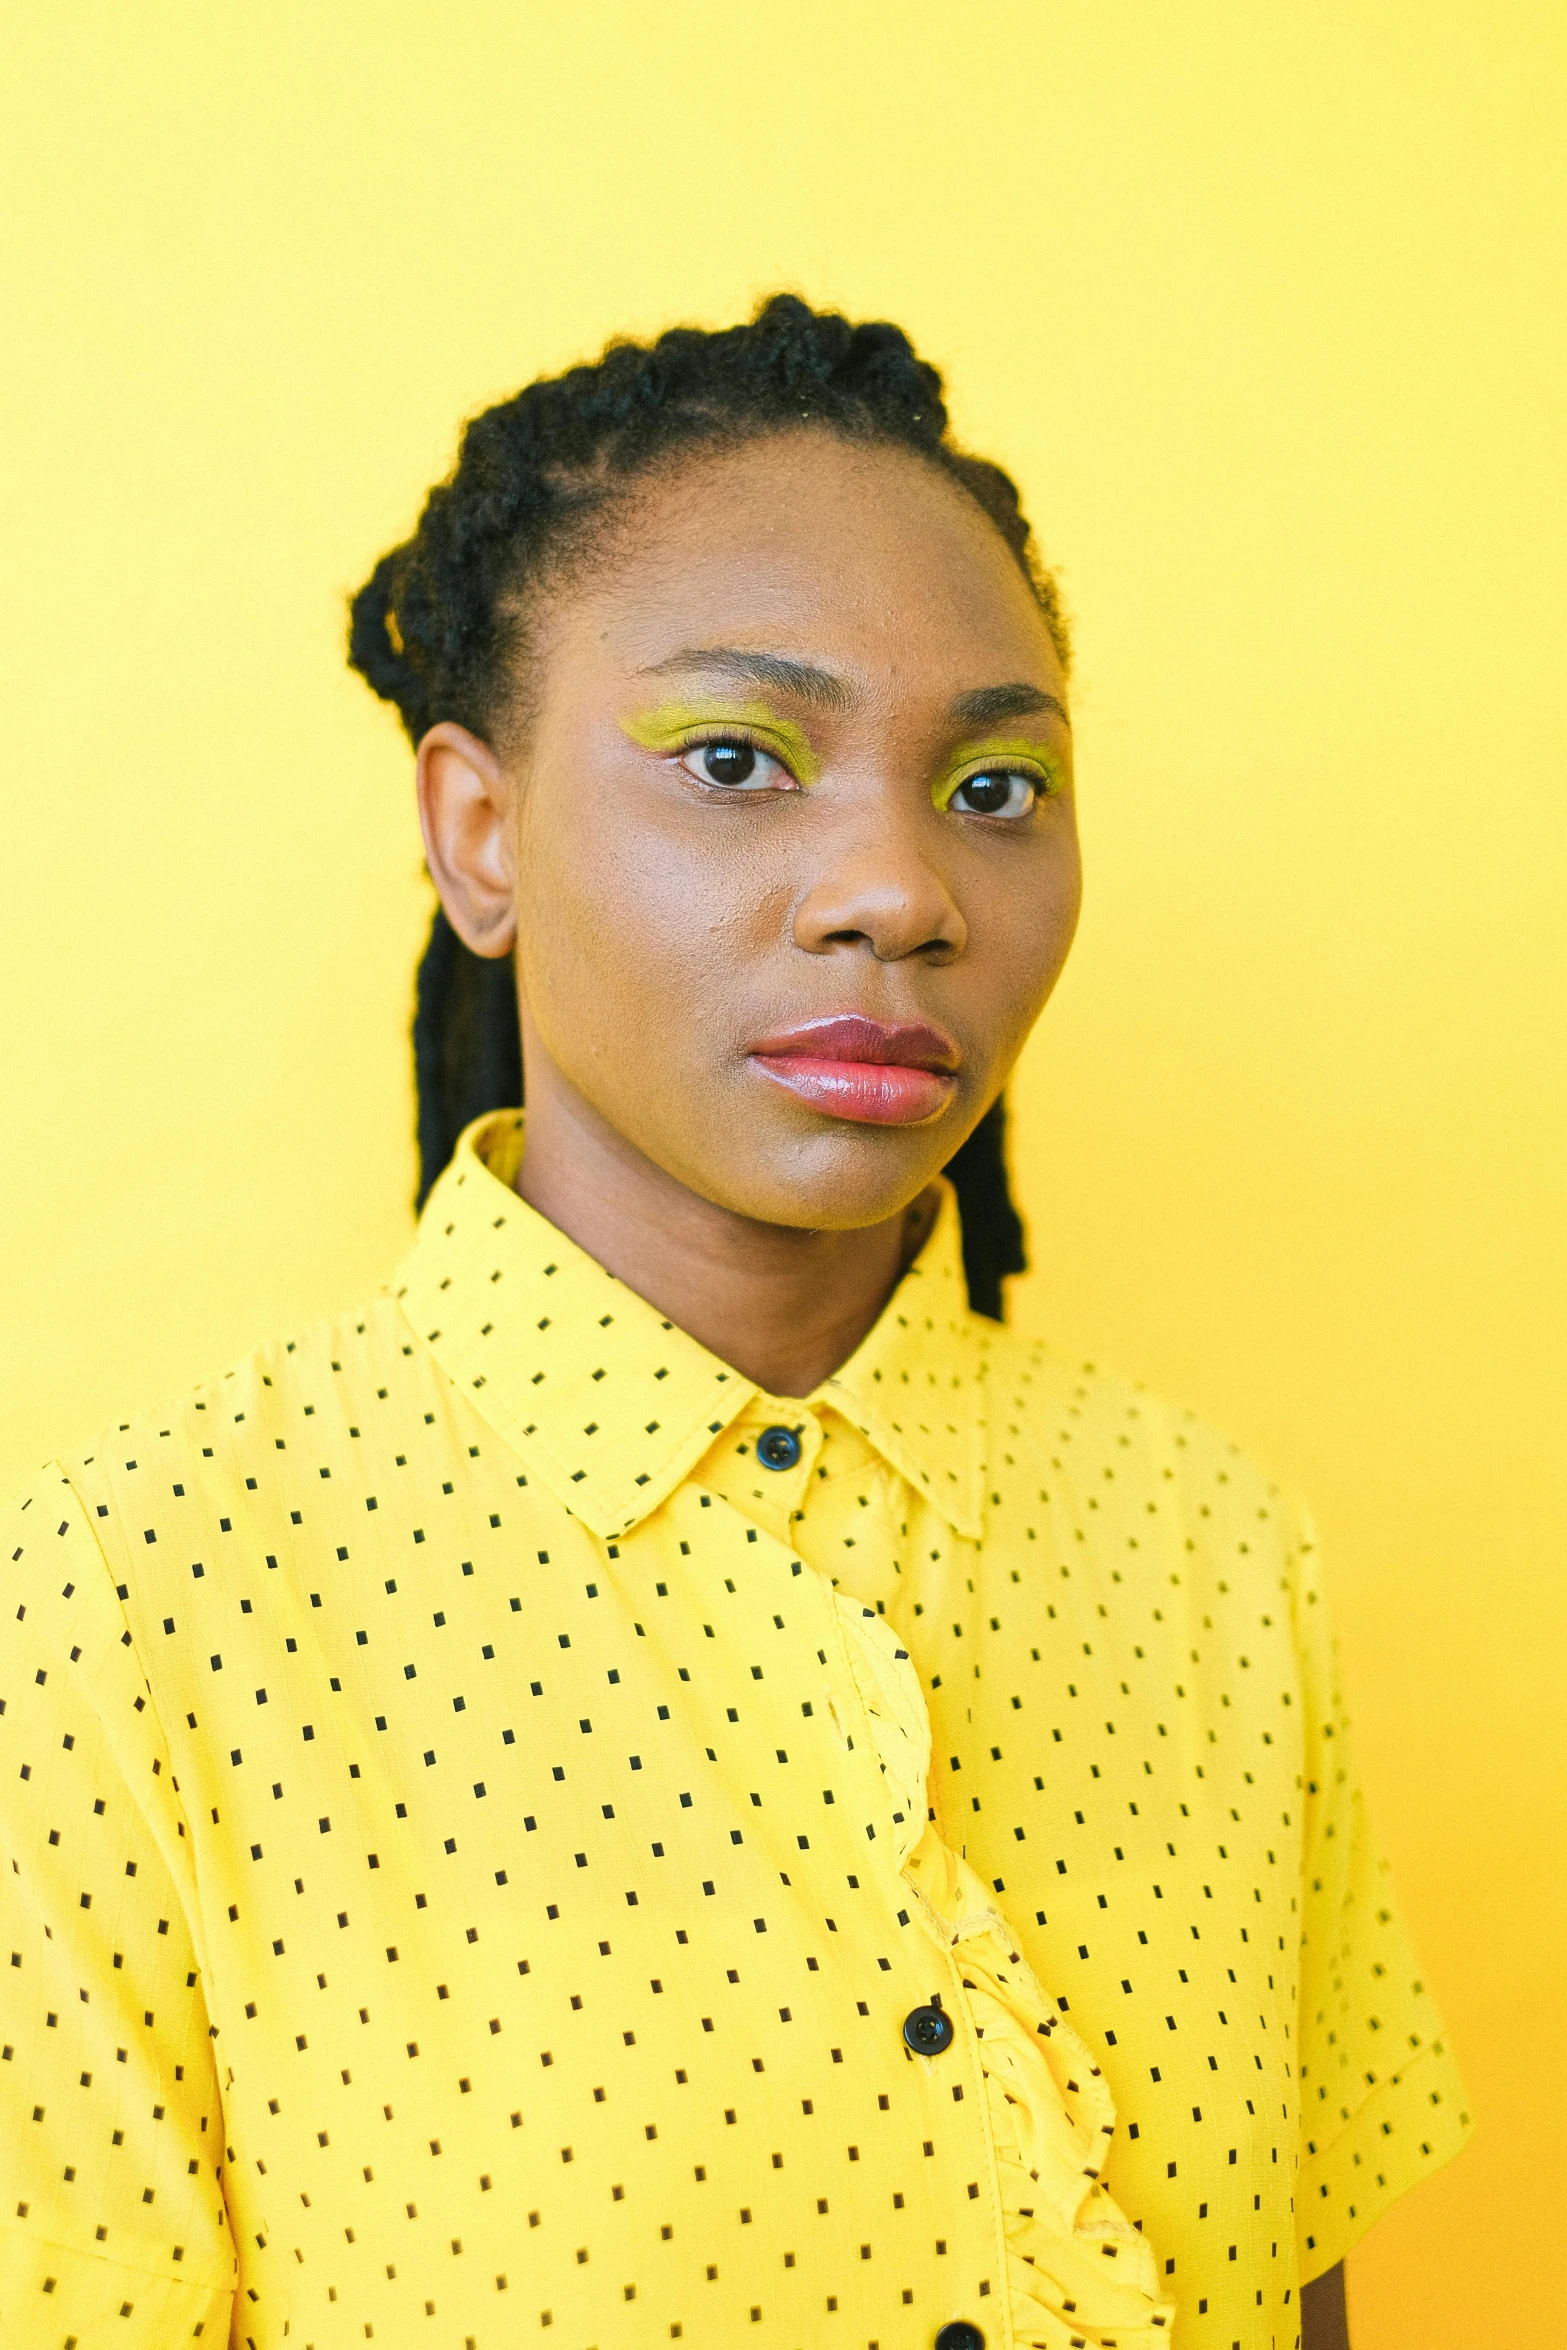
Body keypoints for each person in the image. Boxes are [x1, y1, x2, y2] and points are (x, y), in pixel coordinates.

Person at [0, 295, 1467, 2350]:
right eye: (732, 757)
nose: (898, 886)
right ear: (479, 832)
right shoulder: (123, 1624)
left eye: (995, 783)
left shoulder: (1214, 1548)